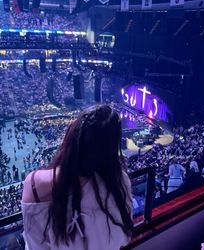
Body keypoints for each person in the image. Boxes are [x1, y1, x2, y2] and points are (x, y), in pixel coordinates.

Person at [22, 105, 133, 250]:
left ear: (73, 135)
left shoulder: (36, 184)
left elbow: (35, 246)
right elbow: (124, 238)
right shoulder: (120, 182)